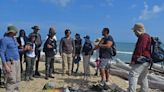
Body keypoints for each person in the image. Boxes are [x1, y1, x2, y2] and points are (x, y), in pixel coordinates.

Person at [128, 23, 151, 92]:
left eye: (134, 31)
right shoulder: (147, 36)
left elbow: (140, 48)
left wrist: (134, 60)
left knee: (133, 75)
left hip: (142, 60)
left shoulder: (143, 36)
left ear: (138, 30)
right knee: (143, 77)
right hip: (147, 60)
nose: (134, 33)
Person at [0, 25, 21, 92]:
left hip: (17, 61)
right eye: (15, 32)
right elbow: (1, 52)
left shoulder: (14, 39)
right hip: (10, 62)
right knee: (11, 80)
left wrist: (24, 49)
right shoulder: (4, 40)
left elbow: (16, 50)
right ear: (11, 32)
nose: (16, 33)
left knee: (17, 79)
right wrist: (5, 65)